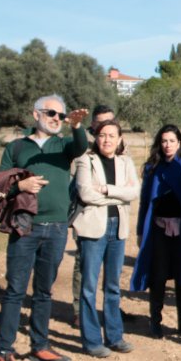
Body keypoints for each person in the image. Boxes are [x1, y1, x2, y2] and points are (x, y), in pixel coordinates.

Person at [0, 95, 89, 361]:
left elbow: (81, 146)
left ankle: (40, 346)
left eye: (60, 115)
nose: (56, 118)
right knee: (15, 290)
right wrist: (20, 185)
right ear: (35, 114)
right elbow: (0, 184)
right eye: (51, 113)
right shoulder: (16, 147)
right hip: (25, 226)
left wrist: (77, 125)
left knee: (44, 291)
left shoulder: (63, 145)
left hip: (57, 228)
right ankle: (5, 351)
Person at [72, 119, 140, 357]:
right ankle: (92, 341)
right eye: (102, 135)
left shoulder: (125, 162)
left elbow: (135, 191)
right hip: (93, 228)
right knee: (88, 287)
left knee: (112, 286)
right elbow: (85, 193)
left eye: (112, 136)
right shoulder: (85, 160)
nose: (107, 140)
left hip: (117, 228)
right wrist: (119, 195)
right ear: (96, 137)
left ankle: (114, 337)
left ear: (120, 139)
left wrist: (107, 190)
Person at [130, 125, 181, 338]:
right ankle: (156, 320)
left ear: (180, 142)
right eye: (164, 141)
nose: (168, 145)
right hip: (158, 229)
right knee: (158, 275)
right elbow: (145, 201)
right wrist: (139, 231)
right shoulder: (153, 167)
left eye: (172, 140)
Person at [72, 104, 116, 331]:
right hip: (87, 213)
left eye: (109, 121)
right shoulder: (84, 147)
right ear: (93, 125)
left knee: (111, 271)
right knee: (84, 265)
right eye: (100, 123)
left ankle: (109, 312)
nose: (105, 126)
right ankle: (80, 311)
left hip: (113, 217)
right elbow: (85, 189)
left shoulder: (117, 146)